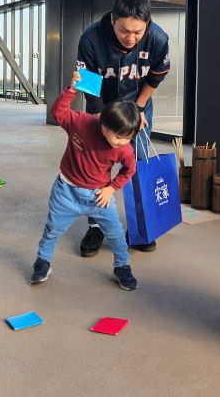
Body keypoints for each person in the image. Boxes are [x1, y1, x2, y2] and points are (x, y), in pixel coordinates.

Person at [76, 0, 170, 256]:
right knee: (96, 166)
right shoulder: (91, 38)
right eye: (124, 30)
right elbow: (88, 84)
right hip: (102, 105)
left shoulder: (158, 38)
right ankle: (96, 225)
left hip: (137, 105)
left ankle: (141, 227)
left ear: (147, 25)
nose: (131, 38)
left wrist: (139, 108)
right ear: (113, 18)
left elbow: (156, 76)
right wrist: (98, 117)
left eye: (137, 33)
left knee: (137, 165)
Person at [30, 68, 141, 290]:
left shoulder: (124, 149)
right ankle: (42, 262)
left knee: (117, 235)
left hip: (99, 196)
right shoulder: (82, 123)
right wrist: (71, 89)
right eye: (118, 136)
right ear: (104, 125)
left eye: (128, 137)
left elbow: (129, 170)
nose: (121, 142)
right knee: (52, 230)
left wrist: (111, 188)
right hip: (66, 191)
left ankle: (122, 266)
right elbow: (59, 112)